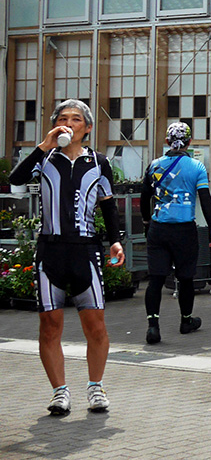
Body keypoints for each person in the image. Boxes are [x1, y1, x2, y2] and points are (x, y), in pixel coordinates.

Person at [8, 99, 124, 415]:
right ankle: (59, 392)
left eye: (76, 119)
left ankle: (95, 387)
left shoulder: (99, 163)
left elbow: (108, 205)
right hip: (51, 251)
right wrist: (43, 145)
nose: (68, 123)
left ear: (87, 128)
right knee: (49, 325)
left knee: (96, 326)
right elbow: (15, 179)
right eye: (62, 118)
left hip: (85, 250)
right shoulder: (44, 159)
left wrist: (115, 241)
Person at [141, 122, 211, 344]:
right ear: (189, 142)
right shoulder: (197, 168)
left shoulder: (154, 166)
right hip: (185, 229)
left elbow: (145, 195)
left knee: (155, 278)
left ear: (167, 141)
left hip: (158, 228)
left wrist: (147, 222)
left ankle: (153, 326)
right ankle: (186, 320)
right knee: (185, 277)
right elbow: (205, 199)